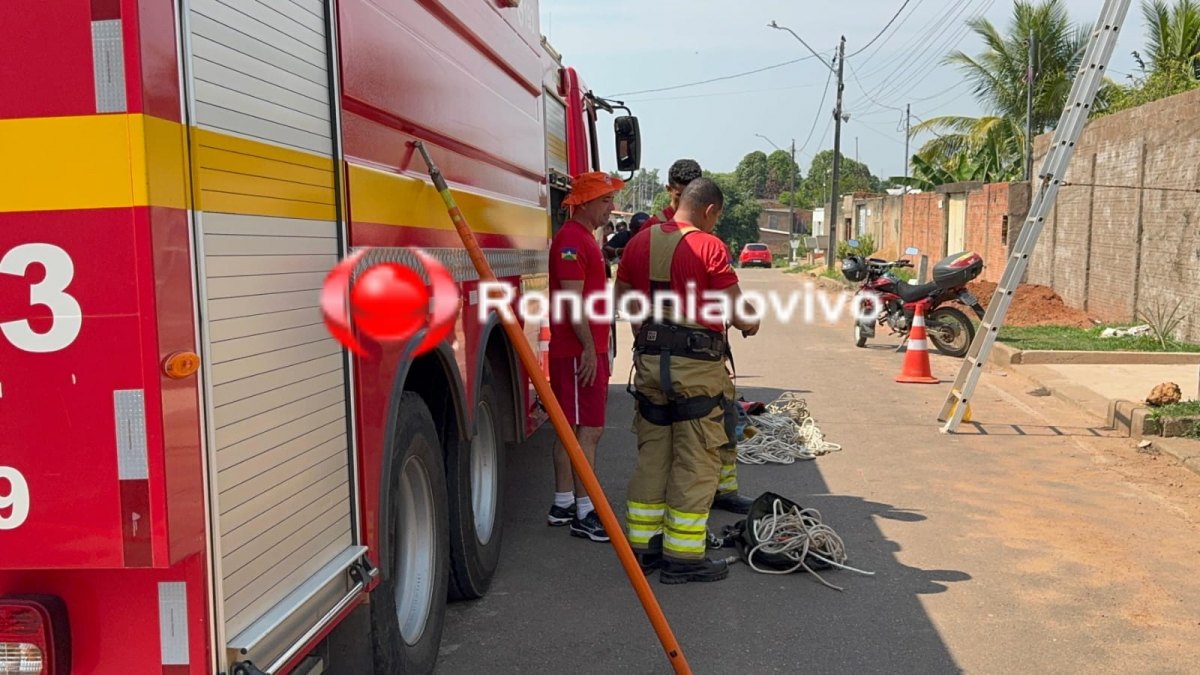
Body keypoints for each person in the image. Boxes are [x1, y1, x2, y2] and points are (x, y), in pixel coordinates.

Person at [614, 177, 761, 583]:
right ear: (709, 210)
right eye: (716, 218)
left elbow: (621, 298)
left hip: (649, 365)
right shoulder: (710, 246)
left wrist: (649, 330)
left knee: (653, 457)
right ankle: (682, 557)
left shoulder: (638, 242)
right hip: (695, 371)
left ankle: (644, 547)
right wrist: (753, 321)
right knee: (696, 461)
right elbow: (737, 312)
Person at [545, 171, 622, 542]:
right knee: (588, 432)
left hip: (578, 350)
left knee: (571, 430)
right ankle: (585, 512)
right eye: (605, 200)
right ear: (586, 201)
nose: (611, 207)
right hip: (579, 352)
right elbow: (573, 301)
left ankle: (563, 504)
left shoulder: (579, 240)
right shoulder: (571, 243)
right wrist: (590, 349)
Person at [643, 159, 703, 229]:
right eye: (679, 195)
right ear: (669, 189)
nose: (685, 202)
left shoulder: (703, 226)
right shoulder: (653, 225)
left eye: (691, 196)